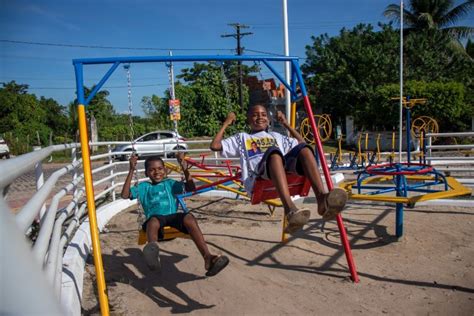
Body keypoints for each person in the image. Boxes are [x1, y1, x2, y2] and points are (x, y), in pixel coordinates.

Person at [210, 104, 348, 233]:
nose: (260, 117)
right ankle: (289, 210)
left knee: (305, 150)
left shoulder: (276, 136)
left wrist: (286, 124)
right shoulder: (242, 138)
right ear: (248, 121)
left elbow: (301, 143)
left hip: (281, 171)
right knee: (274, 153)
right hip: (260, 175)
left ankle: (321, 199)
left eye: (263, 114)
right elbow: (215, 146)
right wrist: (226, 123)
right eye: (255, 115)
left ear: (268, 120)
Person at [121, 152, 229, 276]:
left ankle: (208, 257)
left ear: (165, 170)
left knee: (189, 217)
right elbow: (124, 195)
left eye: (160, 169)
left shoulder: (171, 184)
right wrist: (131, 170)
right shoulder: (144, 187)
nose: (157, 172)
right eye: (152, 170)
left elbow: (190, 188)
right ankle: (153, 253)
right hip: (154, 223)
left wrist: (184, 166)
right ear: (146, 173)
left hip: (172, 218)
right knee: (154, 220)